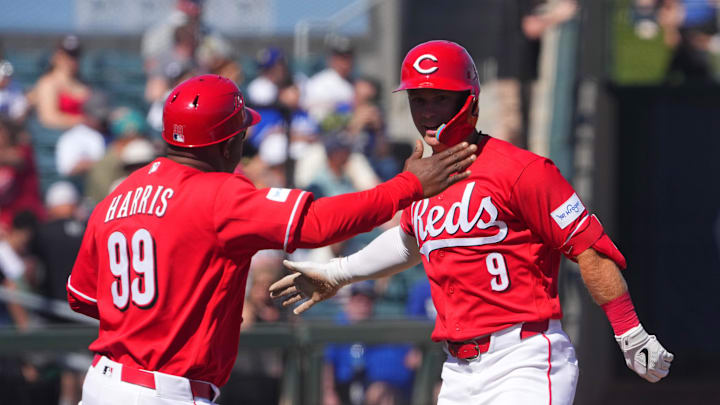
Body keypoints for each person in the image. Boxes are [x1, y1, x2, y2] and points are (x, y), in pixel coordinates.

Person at [269, 40, 674, 405]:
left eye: (439, 99)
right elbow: (408, 242)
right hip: (458, 371)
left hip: (524, 358)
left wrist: (630, 331)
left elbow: (590, 248)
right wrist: (337, 272)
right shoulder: (425, 178)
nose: (427, 111)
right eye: (418, 99)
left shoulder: (522, 170)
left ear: (470, 101)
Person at [66, 74, 478, 404]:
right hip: (165, 390)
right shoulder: (217, 194)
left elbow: (84, 298)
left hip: (103, 383)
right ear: (228, 143)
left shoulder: (117, 197)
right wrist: (406, 186)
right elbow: (316, 224)